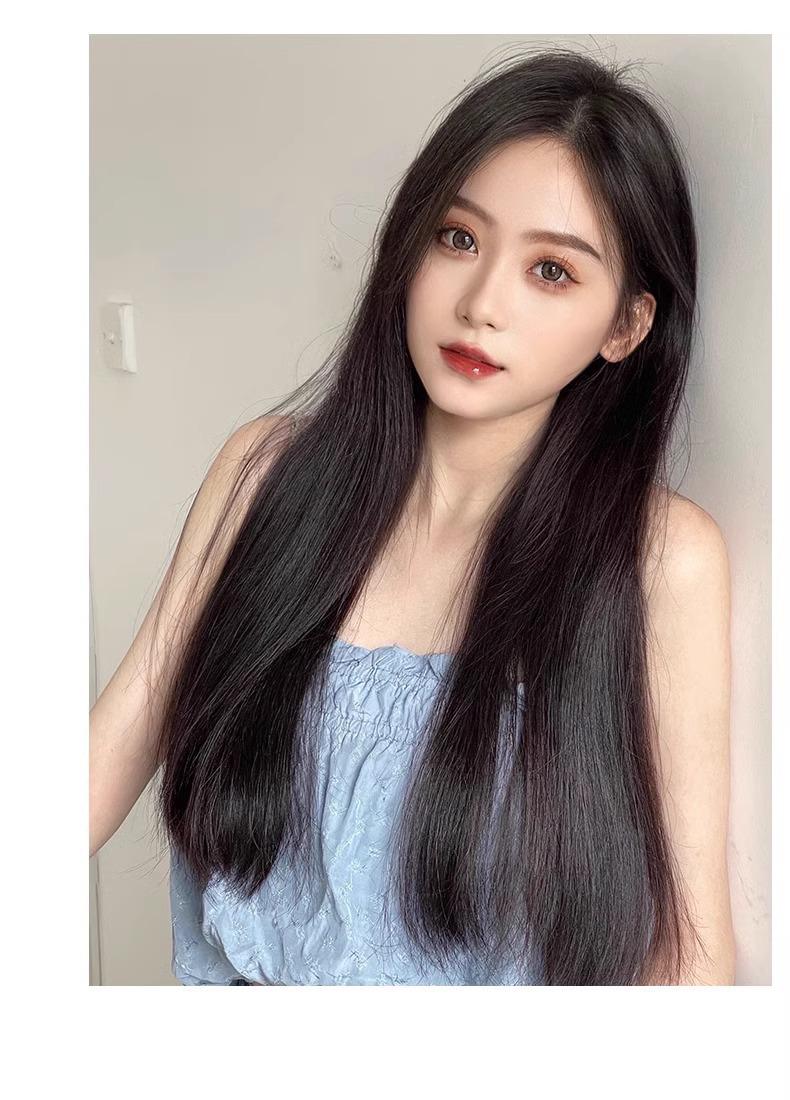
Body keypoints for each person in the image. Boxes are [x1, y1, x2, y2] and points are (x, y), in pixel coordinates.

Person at [89, 45, 735, 986]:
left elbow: (688, 953)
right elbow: (112, 746)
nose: (481, 305)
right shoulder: (267, 474)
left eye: (551, 271)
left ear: (626, 327)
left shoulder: (660, 560)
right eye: (458, 239)